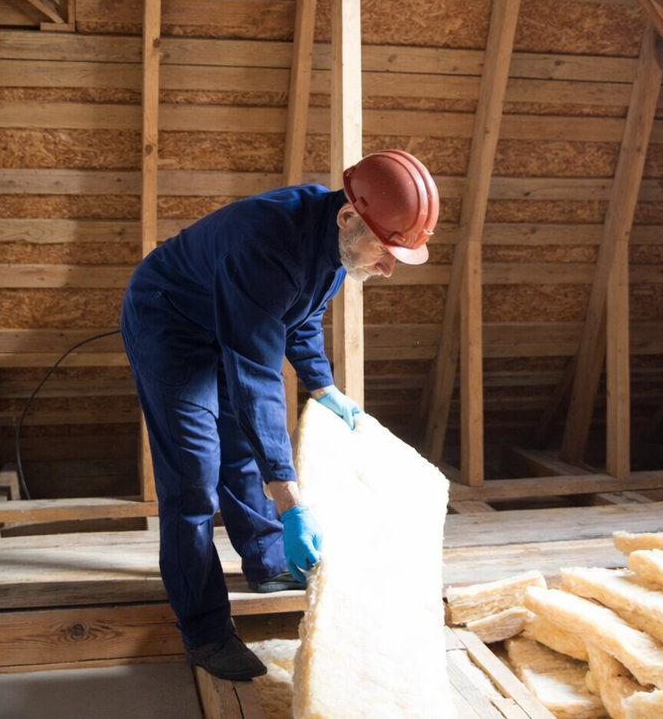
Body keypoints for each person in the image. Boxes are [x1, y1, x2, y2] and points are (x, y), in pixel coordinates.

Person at [119, 150, 440, 680]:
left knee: (243, 450)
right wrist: (291, 501)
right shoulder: (266, 245)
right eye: (384, 251)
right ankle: (204, 633)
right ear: (348, 217)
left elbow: (300, 315)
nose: (386, 268)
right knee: (193, 475)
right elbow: (256, 379)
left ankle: (267, 564)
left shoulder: (337, 243)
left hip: (227, 316)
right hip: (169, 324)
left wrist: (322, 385)